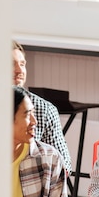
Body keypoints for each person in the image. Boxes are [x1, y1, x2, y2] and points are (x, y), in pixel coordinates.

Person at [12, 40, 72, 173]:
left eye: (22, 64)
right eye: (11, 64)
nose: (20, 70)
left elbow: (64, 165)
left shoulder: (44, 109)